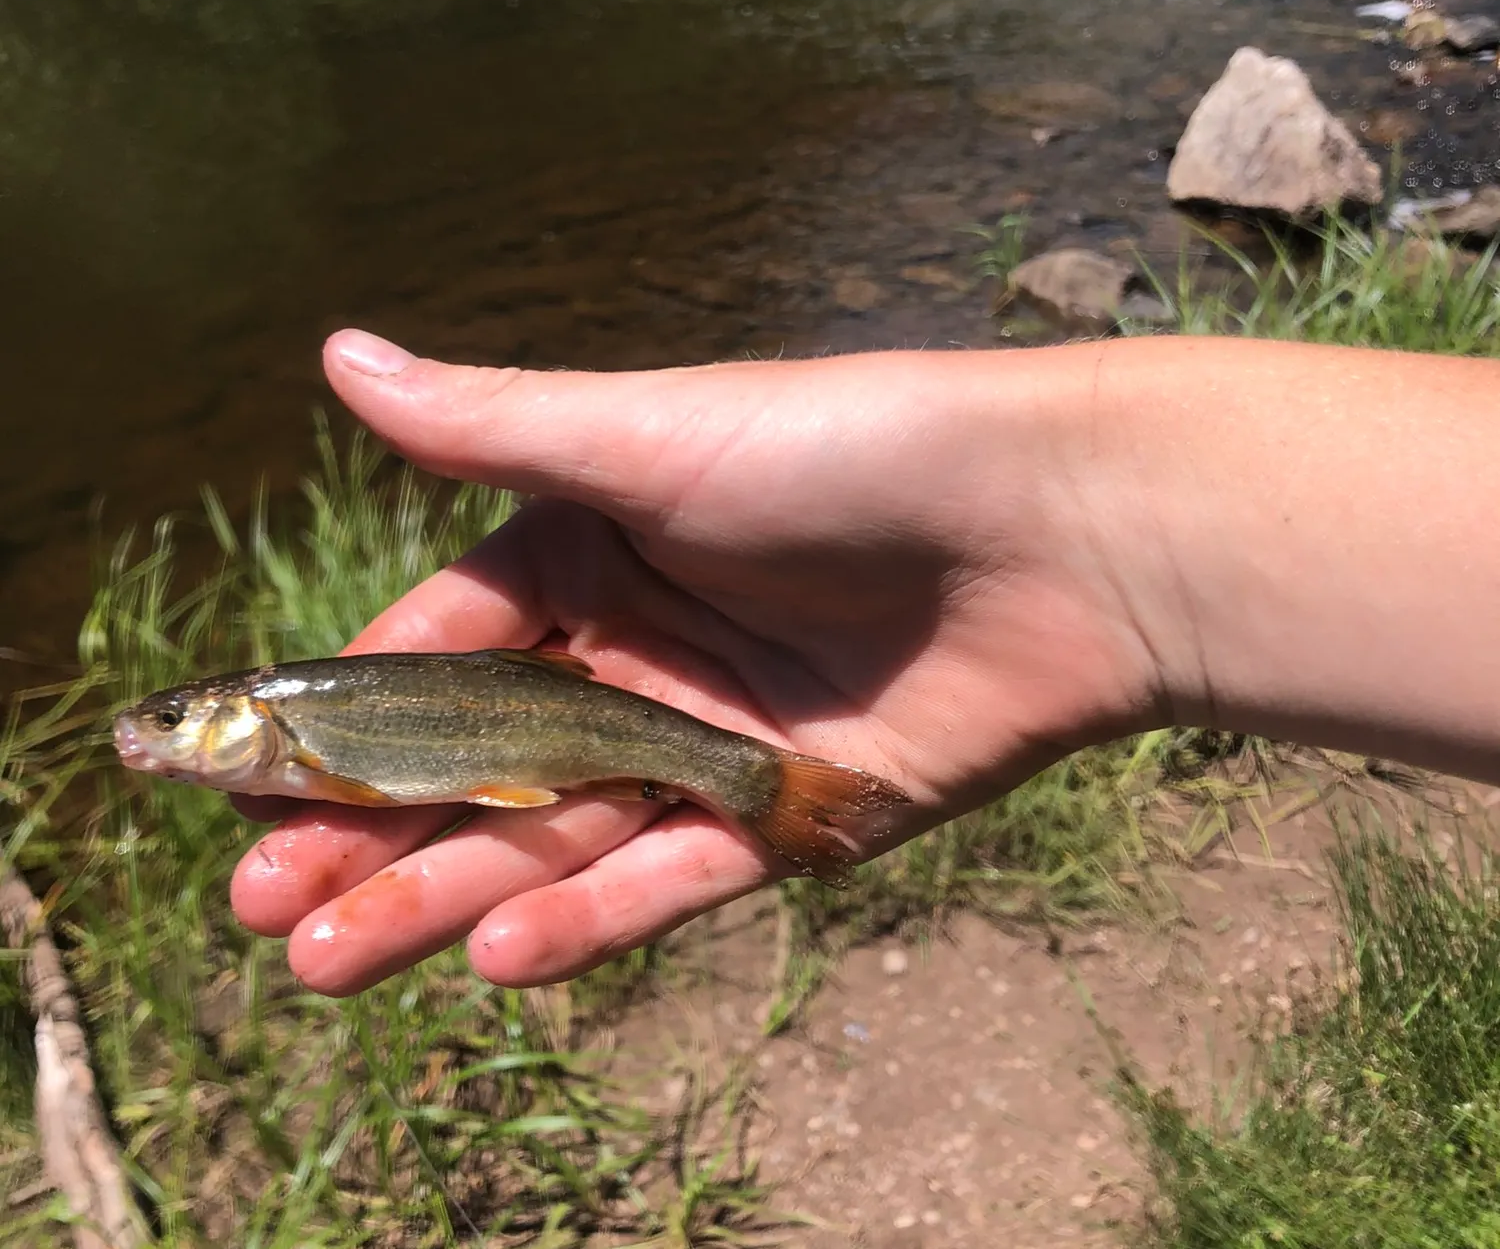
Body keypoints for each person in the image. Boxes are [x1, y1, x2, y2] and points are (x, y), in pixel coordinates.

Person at [229, 327, 1500, 997]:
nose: (161, 739)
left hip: (586, 732)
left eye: (179, 721)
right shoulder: (313, 732)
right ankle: (755, 787)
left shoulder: (305, 726)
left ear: (240, 718)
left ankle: (755, 787)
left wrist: (1070, 526)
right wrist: (1092, 534)